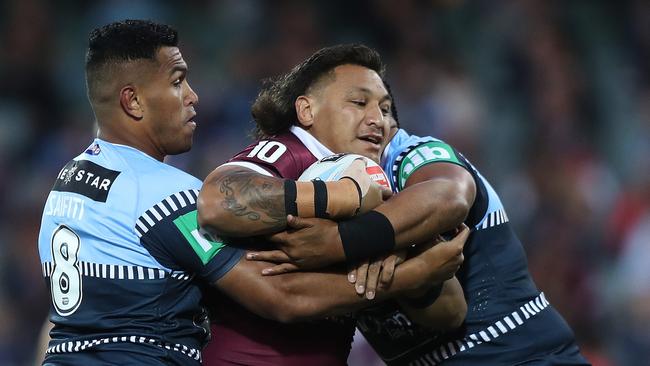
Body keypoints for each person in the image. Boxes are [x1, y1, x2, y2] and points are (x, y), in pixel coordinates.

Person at [37, 27, 466, 365]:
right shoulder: (166, 195)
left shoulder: (66, 183)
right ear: (133, 100)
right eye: (178, 82)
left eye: (387, 108)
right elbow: (282, 297)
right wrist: (341, 199)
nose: (192, 97)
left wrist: (379, 242)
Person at [254, 82, 592, 365]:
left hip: (519, 355)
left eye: (379, 108)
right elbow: (287, 297)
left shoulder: (410, 154)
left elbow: (451, 197)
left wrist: (340, 242)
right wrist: (405, 270)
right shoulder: (308, 194)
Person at [197, 44, 468, 365]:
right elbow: (217, 202)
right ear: (307, 111)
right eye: (358, 103)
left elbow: (451, 312)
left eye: (385, 109)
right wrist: (342, 195)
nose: (378, 120)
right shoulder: (290, 152)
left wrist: (404, 256)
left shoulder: (379, 185)